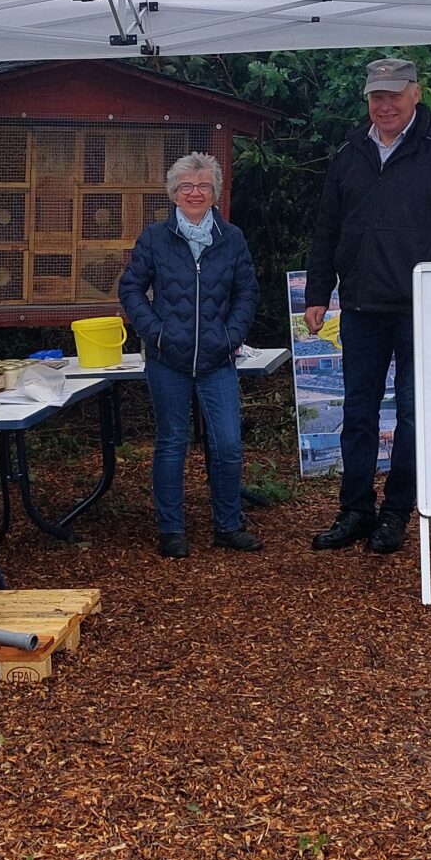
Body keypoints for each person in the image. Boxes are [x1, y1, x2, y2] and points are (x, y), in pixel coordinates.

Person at [302, 57, 431, 554]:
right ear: (367, 100)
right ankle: (355, 510)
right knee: (359, 410)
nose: (384, 105)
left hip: (420, 311)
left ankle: (396, 511)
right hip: (361, 308)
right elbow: (326, 228)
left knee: (411, 415)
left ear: (415, 94)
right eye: (376, 97)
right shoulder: (350, 153)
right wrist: (318, 293)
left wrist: (430, 274)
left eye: (394, 95)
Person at [117, 151, 260, 559]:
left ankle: (229, 526)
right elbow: (130, 288)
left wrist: (231, 334)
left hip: (217, 359)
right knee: (172, 442)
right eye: (186, 186)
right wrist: (156, 332)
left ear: (215, 193)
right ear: (173, 194)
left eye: (203, 186)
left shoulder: (231, 238)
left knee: (229, 444)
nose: (195, 193)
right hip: (168, 359)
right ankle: (171, 529)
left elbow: (246, 291)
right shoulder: (154, 238)